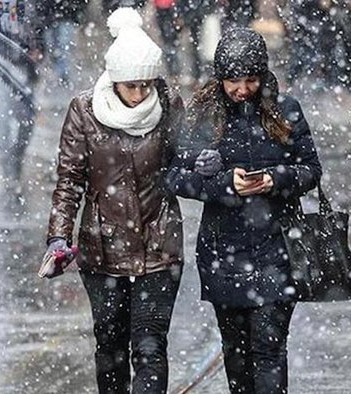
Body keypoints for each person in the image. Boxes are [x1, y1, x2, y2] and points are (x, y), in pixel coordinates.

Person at [166, 28, 322, 393]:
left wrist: (274, 179)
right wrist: (224, 185)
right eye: (233, 80)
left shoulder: (287, 111)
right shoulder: (203, 117)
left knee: (269, 350)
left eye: (250, 80)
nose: (241, 89)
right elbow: (175, 177)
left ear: (262, 76)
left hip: (278, 250)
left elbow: (311, 170)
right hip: (224, 254)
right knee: (236, 356)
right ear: (220, 79)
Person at [44, 7, 185, 393]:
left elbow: (183, 159)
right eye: (131, 85)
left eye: (146, 84)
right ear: (114, 79)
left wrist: (200, 164)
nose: (140, 94)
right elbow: (70, 179)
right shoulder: (85, 111)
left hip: (160, 250)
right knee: (110, 347)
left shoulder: (168, 103)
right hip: (102, 251)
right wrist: (58, 236)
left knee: (150, 345)